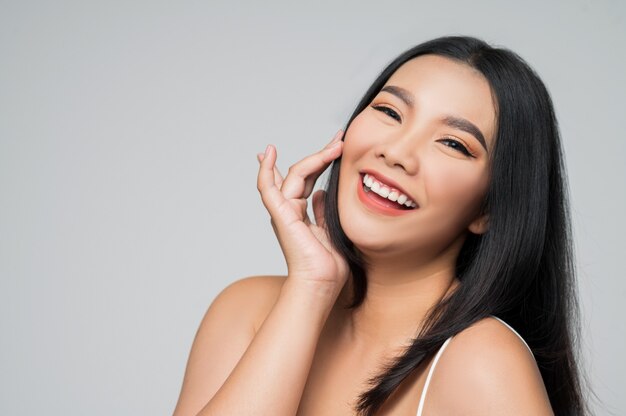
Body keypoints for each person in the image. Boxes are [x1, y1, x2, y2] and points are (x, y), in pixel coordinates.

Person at [173, 36, 588, 415]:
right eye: (390, 112)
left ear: (489, 209)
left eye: (453, 143)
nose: (397, 153)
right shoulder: (246, 310)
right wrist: (312, 287)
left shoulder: (483, 362)